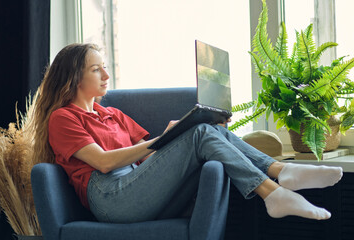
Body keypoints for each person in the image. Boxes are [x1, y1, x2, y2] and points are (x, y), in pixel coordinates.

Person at [32, 43, 343, 224]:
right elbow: (102, 163)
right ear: (73, 76)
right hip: (110, 198)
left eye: (104, 67)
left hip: (137, 187)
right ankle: (277, 184)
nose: (106, 75)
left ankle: (281, 178)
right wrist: (168, 139)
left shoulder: (111, 113)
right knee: (197, 133)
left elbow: (151, 155)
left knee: (204, 129)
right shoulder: (63, 118)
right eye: (96, 69)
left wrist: (176, 134)